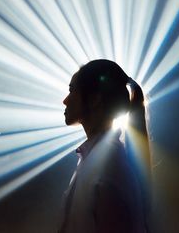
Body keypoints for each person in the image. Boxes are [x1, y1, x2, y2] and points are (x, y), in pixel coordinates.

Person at [58, 59, 151, 233]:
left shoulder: (108, 167)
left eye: (72, 91)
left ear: (95, 100)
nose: (65, 100)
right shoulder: (95, 159)